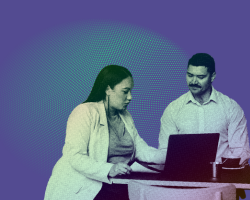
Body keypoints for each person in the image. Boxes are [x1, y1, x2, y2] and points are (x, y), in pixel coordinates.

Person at [44, 65, 165, 200]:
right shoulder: (84, 111)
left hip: (116, 184)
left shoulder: (125, 115)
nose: (130, 97)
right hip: (85, 186)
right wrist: (109, 169)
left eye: (130, 91)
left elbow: (141, 150)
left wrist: (170, 156)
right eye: (125, 91)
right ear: (108, 89)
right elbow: (75, 156)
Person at [158, 53, 250, 165]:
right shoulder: (173, 109)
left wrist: (218, 170)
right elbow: (165, 152)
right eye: (190, 75)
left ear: (212, 76)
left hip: (223, 177)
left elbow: (240, 150)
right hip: (184, 177)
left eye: (200, 77)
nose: (193, 81)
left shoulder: (231, 108)